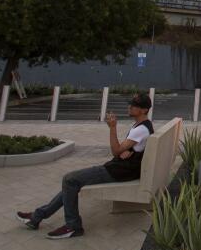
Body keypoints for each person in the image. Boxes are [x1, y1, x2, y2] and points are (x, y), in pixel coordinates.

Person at [16, 92, 153, 239]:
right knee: (72, 184)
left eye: (135, 105)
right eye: (130, 103)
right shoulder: (142, 126)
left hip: (118, 171)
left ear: (144, 110)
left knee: (70, 180)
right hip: (121, 168)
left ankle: (73, 226)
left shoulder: (141, 130)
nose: (130, 107)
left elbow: (115, 151)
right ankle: (37, 216)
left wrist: (112, 128)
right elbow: (123, 151)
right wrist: (125, 151)